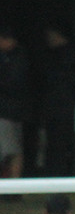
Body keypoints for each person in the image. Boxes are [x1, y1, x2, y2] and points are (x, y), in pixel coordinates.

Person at [36, 22, 75, 177]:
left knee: (66, 147)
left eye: (50, 35)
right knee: (55, 148)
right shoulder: (50, 56)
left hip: (69, 109)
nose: (48, 39)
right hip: (56, 110)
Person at [0, 25, 29, 189]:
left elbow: (13, 84)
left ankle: (13, 189)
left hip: (8, 113)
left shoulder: (18, 58)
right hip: (9, 112)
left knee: (12, 151)